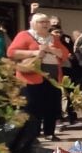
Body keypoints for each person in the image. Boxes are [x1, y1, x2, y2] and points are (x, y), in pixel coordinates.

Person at [7, 13, 70, 141]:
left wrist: (51, 50)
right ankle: (31, 134)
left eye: (46, 21)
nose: (46, 24)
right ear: (33, 24)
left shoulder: (53, 38)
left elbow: (65, 54)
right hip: (31, 77)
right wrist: (34, 52)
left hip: (52, 78)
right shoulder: (24, 35)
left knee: (51, 106)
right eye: (42, 22)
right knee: (32, 107)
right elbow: (11, 52)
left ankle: (49, 132)